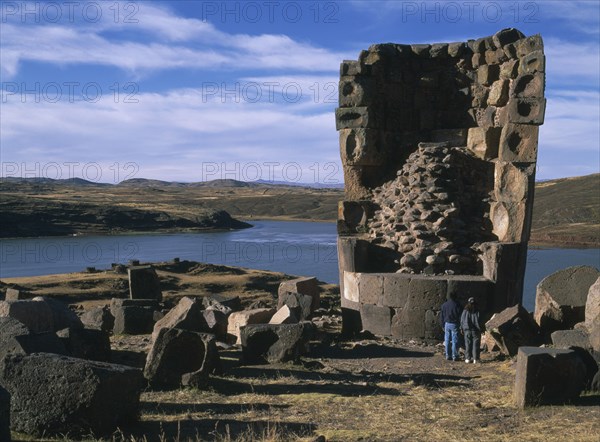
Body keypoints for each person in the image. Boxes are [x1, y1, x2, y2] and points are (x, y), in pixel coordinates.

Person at [440, 292, 462, 361]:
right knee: (454, 340)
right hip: (455, 324)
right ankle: (454, 356)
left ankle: (448, 355)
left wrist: (442, 324)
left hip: (447, 324)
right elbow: (460, 316)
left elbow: (441, 316)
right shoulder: (458, 305)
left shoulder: (444, 305)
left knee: (447, 340)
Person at [461, 297, 482, 363]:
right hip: (475, 330)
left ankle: (467, 358)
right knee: (476, 345)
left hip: (467, 330)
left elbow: (462, 320)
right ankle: (475, 359)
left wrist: (461, 328)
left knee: (467, 344)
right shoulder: (477, 310)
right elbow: (480, 321)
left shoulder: (465, 310)